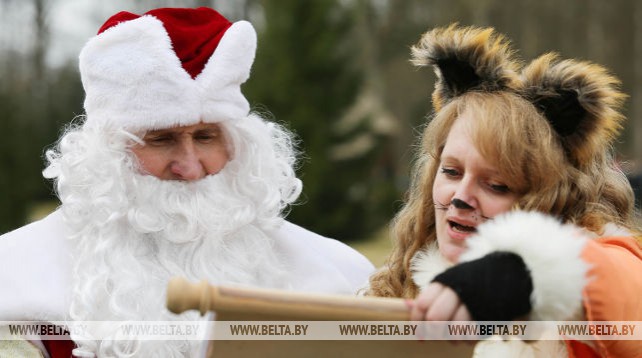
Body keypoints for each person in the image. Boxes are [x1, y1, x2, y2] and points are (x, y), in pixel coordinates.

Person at [0, 7, 374, 357]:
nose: (190, 167)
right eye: (161, 139)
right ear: (107, 153)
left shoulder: (336, 274)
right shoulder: (15, 273)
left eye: (206, 137)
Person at [367, 24, 642, 357]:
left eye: (496, 185)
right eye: (451, 172)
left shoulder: (588, 295)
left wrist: (522, 274)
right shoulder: (389, 289)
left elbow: (625, 290)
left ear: (551, 196)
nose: (460, 197)